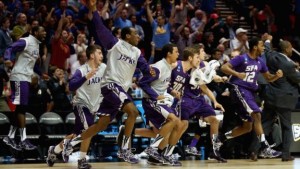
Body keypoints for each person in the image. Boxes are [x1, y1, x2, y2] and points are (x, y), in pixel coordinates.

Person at [62, 0, 154, 164]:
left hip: (120, 90)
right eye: (135, 34)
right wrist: (93, 10)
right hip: (111, 85)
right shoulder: (115, 44)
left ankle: (71, 142)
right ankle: (125, 150)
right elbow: (100, 28)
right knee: (133, 112)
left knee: (101, 125)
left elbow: (145, 68)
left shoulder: (137, 52)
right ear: (127, 36)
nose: (139, 36)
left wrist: (151, 71)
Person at [221, 37, 283, 161]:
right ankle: (265, 147)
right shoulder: (242, 58)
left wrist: (276, 76)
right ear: (255, 47)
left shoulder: (260, 62)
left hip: (249, 92)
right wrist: (237, 74)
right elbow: (224, 68)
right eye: (261, 45)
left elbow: (268, 78)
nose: (263, 47)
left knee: (247, 127)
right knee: (257, 115)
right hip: (239, 89)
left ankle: (220, 139)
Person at [46, 44, 106, 169]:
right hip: (81, 104)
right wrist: (86, 77)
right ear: (91, 55)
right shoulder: (82, 70)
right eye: (99, 53)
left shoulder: (104, 68)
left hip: (93, 107)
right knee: (88, 129)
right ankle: (81, 160)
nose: (102, 55)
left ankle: (55, 150)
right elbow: (71, 86)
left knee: (78, 134)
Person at [170, 45, 226, 162]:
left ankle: (214, 151)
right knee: (182, 125)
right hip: (185, 98)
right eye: (202, 51)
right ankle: (170, 150)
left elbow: (206, 84)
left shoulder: (203, 65)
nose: (204, 53)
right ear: (194, 55)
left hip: (199, 99)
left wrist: (215, 100)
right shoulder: (186, 65)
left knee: (214, 120)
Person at [138, 44, 183, 166]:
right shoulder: (158, 67)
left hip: (159, 101)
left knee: (176, 124)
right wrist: (155, 96)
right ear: (169, 53)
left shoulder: (168, 67)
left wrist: (171, 91)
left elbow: (161, 84)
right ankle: (153, 148)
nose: (178, 54)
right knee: (173, 120)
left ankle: (158, 155)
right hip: (150, 101)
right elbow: (142, 82)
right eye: (176, 51)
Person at [3, 26, 46, 151]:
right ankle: (23, 139)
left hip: (26, 78)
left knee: (20, 108)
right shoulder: (26, 41)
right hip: (18, 77)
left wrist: (41, 73)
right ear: (35, 32)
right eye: (42, 31)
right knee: (22, 108)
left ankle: (10, 137)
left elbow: (32, 64)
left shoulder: (37, 46)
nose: (45, 33)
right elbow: (10, 48)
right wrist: (7, 59)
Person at [262, 34, 300, 161]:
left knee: (264, 125)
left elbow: (267, 49)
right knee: (287, 127)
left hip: (271, 97)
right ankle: (285, 154)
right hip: (284, 99)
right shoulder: (289, 65)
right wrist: (297, 70)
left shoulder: (271, 56)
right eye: (290, 48)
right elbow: (297, 79)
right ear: (287, 49)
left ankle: (253, 151)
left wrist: (268, 40)